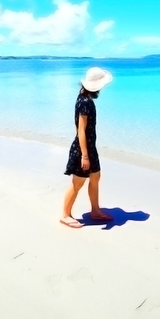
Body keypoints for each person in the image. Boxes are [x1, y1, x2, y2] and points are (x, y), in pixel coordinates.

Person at [60, 67, 114, 228]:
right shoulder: (85, 102)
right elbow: (81, 130)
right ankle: (65, 215)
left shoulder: (84, 97)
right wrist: (84, 155)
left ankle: (95, 211)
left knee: (95, 177)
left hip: (90, 147)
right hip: (82, 149)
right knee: (78, 182)